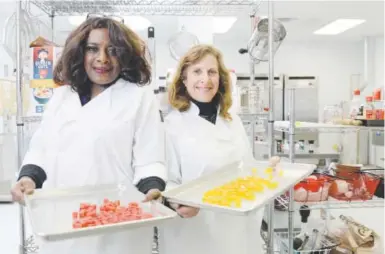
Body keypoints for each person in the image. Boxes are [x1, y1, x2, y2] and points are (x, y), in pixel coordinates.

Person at [11, 16, 166, 254]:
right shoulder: (62, 97)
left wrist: (152, 189)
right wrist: (29, 178)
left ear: (124, 56)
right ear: (80, 52)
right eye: (93, 49)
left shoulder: (138, 97)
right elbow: (41, 149)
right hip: (63, 220)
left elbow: (150, 157)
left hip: (117, 223)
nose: (102, 58)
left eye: (112, 50)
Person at [158, 44, 265, 254]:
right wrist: (177, 203)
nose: (205, 79)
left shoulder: (232, 121)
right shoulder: (171, 125)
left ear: (220, 79)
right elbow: (166, 181)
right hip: (193, 232)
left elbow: (249, 169)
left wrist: (269, 172)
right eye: (197, 71)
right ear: (184, 79)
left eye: (212, 72)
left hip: (236, 228)